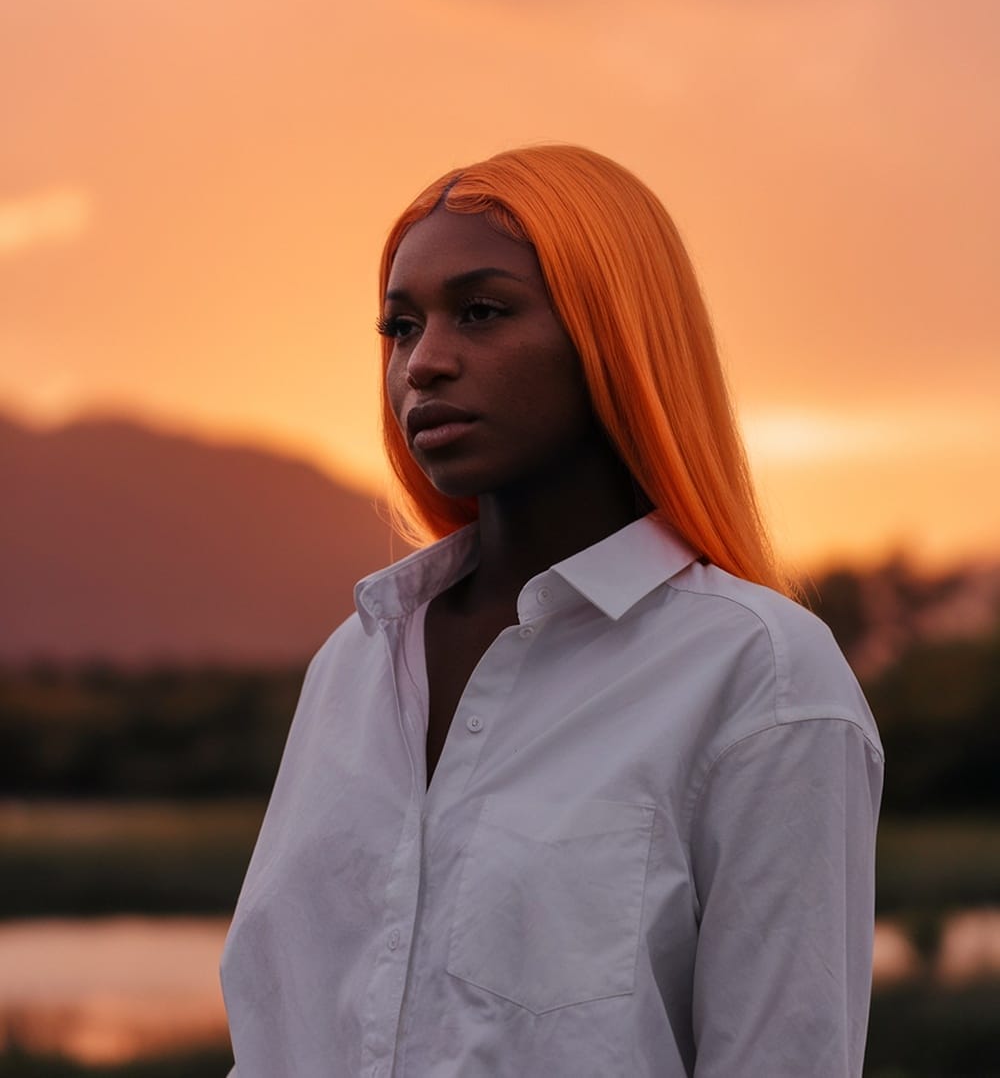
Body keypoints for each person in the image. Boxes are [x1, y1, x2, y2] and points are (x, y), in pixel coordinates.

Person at [221, 144, 883, 1077]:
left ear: (614, 330)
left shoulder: (760, 676)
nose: (425, 365)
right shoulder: (358, 660)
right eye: (400, 327)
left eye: (482, 312)